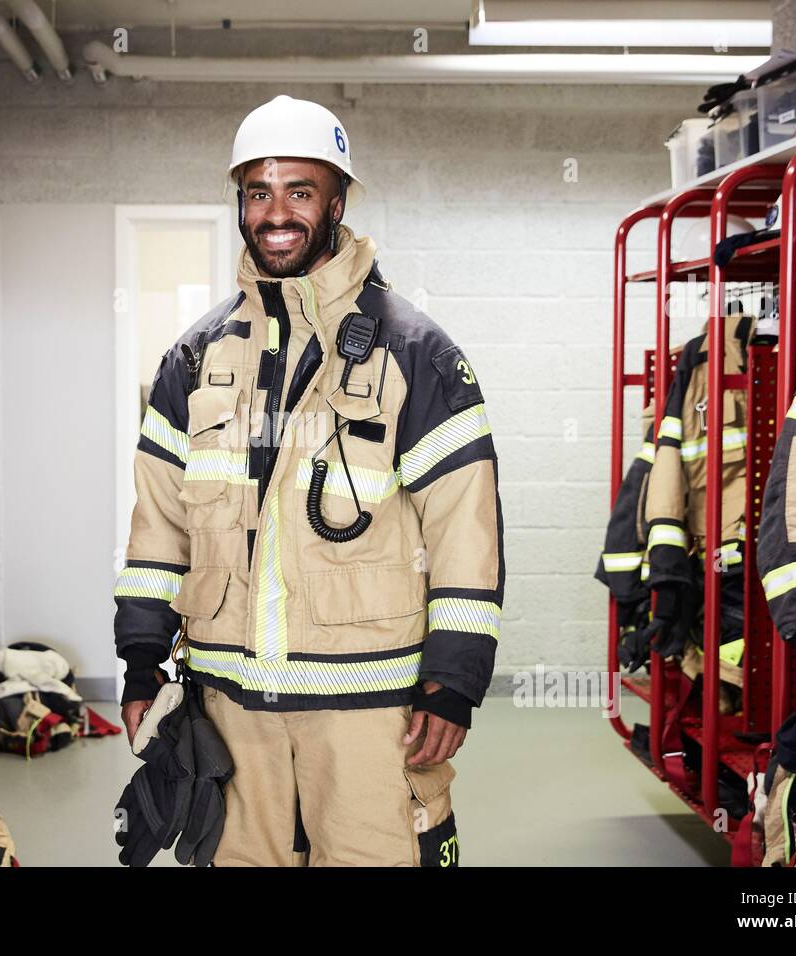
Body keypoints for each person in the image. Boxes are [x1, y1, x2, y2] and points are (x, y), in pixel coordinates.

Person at [114, 94, 505, 866]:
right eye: (258, 192)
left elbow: (465, 528)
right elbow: (159, 527)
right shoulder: (192, 360)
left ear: (337, 200)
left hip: (369, 712)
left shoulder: (417, 352)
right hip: (228, 711)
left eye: (300, 190)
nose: (276, 213)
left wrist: (454, 681)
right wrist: (138, 660)